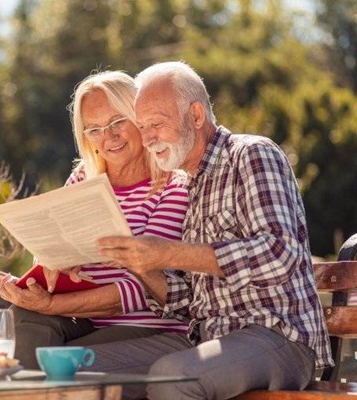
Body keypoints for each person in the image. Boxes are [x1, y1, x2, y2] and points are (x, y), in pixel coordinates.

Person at [87, 61, 334, 400]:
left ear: (197, 116)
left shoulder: (251, 155)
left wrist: (167, 251)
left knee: (173, 377)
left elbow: (281, 254)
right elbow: (187, 299)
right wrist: (138, 265)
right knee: (76, 372)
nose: (146, 140)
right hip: (207, 339)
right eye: (141, 127)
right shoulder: (192, 184)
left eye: (156, 124)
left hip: (278, 337)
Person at [0, 70, 190, 369]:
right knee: (27, 314)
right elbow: (49, 258)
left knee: (54, 362)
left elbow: (142, 291)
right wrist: (46, 271)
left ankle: (35, 387)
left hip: (146, 327)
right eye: (94, 129)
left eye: (117, 122)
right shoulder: (84, 178)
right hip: (87, 321)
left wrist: (53, 305)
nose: (108, 137)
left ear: (137, 117)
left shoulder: (173, 185)